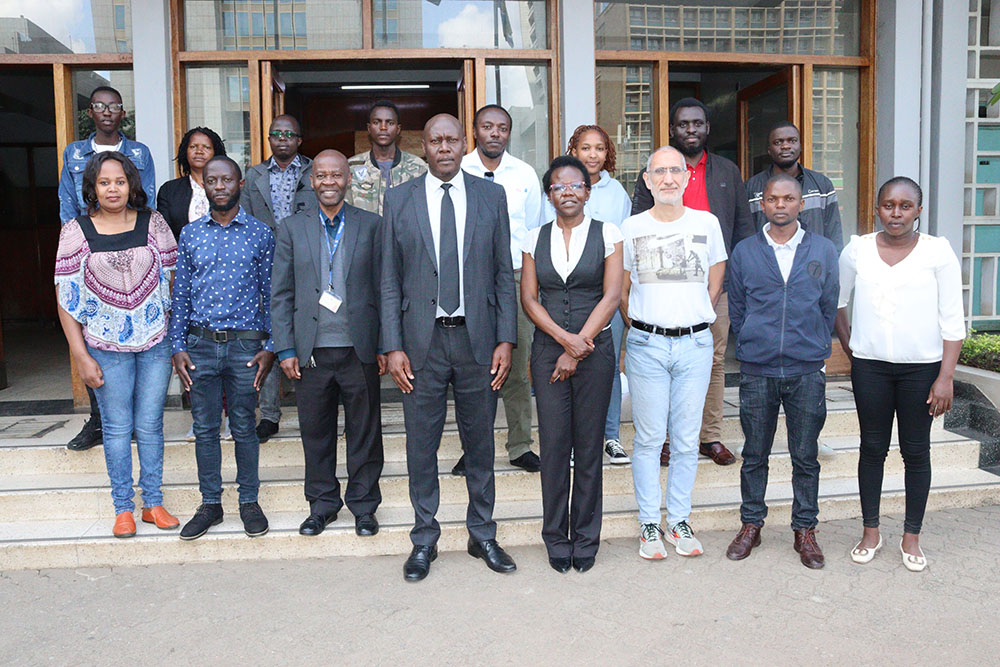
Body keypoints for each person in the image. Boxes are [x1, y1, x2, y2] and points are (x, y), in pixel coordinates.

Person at [381, 114, 518, 582]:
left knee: (480, 443)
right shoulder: (398, 199)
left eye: (452, 140)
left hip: (479, 340)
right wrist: (392, 345)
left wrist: (506, 338)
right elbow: (388, 280)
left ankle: (482, 534)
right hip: (421, 343)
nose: (444, 147)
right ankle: (424, 539)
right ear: (423, 146)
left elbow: (504, 272)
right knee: (422, 446)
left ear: (466, 144)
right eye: (435, 140)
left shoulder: (490, 195)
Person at [835, 176, 965, 572]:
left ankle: (912, 536)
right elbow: (838, 303)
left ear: (918, 211)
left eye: (905, 206)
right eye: (889, 205)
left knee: (915, 451)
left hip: (922, 371)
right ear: (878, 208)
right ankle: (871, 531)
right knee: (872, 448)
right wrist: (853, 351)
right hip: (870, 368)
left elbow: (952, 320)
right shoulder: (857, 250)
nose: (896, 212)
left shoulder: (937, 252)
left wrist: (945, 377)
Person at [54, 151, 177, 538]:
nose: (113, 188)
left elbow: (173, 283)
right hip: (104, 347)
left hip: (155, 343)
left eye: (120, 181)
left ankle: (152, 503)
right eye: (104, 182)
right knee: (118, 427)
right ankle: (123, 507)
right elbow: (66, 299)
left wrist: (173, 339)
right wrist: (80, 356)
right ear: (92, 187)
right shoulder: (76, 230)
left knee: (151, 425)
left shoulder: (153, 223)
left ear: (131, 185)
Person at [631, 98, 754, 469]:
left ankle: (710, 436)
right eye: (683, 124)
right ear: (673, 129)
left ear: (707, 128)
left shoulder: (727, 171)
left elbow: (742, 228)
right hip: (663, 287)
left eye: (697, 123)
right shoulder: (653, 173)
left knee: (714, 360)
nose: (691, 130)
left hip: (715, 285)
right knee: (666, 363)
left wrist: (725, 285)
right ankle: (667, 438)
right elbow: (639, 227)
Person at [725, 173, 839, 569]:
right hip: (757, 371)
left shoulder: (823, 250)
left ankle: (804, 529)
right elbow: (737, 308)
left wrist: (811, 345)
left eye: (788, 198)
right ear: (762, 204)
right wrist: (756, 340)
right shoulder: (744, 252)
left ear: (800, 204)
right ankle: (751, 524)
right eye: (772, 198)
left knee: (805, 456)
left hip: (806, 370)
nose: (780, 205)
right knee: (754, 453)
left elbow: (829, 306)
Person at [271, 150, 386, 538]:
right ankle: (321, 506)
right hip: (310, 353)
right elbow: (281, 294)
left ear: (348, 180)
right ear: (312, 181)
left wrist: (387, 345)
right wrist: (285, 349)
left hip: (360, 348)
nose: (330, 182)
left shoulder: (372, 225)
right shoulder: (291, 228)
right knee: (315, 433)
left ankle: (365, 507)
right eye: (322, 175)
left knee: (364, 433)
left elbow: (385, 289)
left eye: (337, 175)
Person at [621, 146, 726, 560]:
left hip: (695, 344)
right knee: (649, 439)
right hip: (647, 345)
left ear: (687, 178)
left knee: (684, 440)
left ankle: (679, 520)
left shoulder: (707, 223)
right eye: (659, 172)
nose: (668, 178)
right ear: (647, 180)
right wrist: (643, 326)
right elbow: (622, 289)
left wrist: (695, 315)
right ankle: (650, 524)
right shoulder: (630, 227)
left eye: (675, 171)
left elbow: (716, 277)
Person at [522, 155, 623, 573]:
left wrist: (580, 345)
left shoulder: (609, 233)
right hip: (549, 351)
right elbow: (529, 298)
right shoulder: (533, 237)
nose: (568, 192)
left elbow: (612, 296)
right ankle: (555, 536)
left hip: (595, 350)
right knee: (554, 444)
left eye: (576, 185)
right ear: (549, 194)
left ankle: (585, 536)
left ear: (588, 190)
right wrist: (565, 343)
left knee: (588, 446)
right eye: (559, 186)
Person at [171, 156, 276, 541]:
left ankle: (249, 501)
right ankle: (210, 505)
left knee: (245, 427)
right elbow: (180, 293)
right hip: (199, 346)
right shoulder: (190, 234)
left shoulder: (261, 234)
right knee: (204, 428)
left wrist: (272, 346)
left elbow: (272, 294)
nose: (219, 185)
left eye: (227, 179)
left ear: (240, 183)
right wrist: (177, 345)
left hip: (246, 347)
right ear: (204, 184)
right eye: (212, 180)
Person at [59, 85, 156, 453]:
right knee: (89, 333)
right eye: (99, 105)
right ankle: (100, 420)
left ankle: (126, 420)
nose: (107, 111)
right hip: (87, 251)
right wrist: (78, 244)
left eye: (114, 105)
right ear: (90, 112)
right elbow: (68, 203)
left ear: (122, 112)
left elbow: (144, 198)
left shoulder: (138, 153)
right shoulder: (74, 153)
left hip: (132, 249)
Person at [459, 103, 543, 475]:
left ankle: (520, 444)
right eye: (487, 126)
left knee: (518, 367)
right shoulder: (458, 170)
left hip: (514, 277)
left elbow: (536, 232)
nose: (495, 133)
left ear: (509, 133)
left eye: (502, 128)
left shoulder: (524, 174)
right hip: (468, 279)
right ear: (475, 131)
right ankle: (474, 448)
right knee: (474, 368)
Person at [545, 124, 633, 464]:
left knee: (606, 367)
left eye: (599, 148)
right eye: (585, 148)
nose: (592, 154)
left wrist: (622, 295)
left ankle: (610, 435)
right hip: (566, 295)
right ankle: (569, 440)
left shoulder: (617, 194)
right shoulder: (558, 188)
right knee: (565, 360)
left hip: (607, 295)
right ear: (574, 151)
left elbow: (624, 250)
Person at [241, 114, 314, 443]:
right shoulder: (254, 175)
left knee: (310, 334)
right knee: (270, 336)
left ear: (299, 140)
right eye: (276, 134)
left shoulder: (315, 171)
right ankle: (269, 414)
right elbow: (243, 222)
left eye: (290, 134)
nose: (282, 138)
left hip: (309, 262)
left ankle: (314, 410)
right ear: (269, 139)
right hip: (265, 266)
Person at [745, 121, 844, 251]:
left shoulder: (822, 185)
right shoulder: (752, 187)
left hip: (813, 266)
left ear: (800, 146)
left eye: (792, 141)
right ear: (769, 150)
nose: (785, 146)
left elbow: (834, 234)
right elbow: (745, 234)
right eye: (778, 142)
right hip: (766, 266)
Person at [346, 99, 427, 215]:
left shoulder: (419, 167)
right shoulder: (351, 167)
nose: (383, 127)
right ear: (369, 128)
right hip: (366, 233)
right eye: (376, 122)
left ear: (398, 129)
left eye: (390, 123)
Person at [156, 126, 226, 240]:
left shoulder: (227, 188)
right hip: (182, 255)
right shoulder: (169, 190)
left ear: (216, 153)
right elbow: (164, 233)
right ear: (185, 151)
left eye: (206, 147)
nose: (199, 151)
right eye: (193, 147)